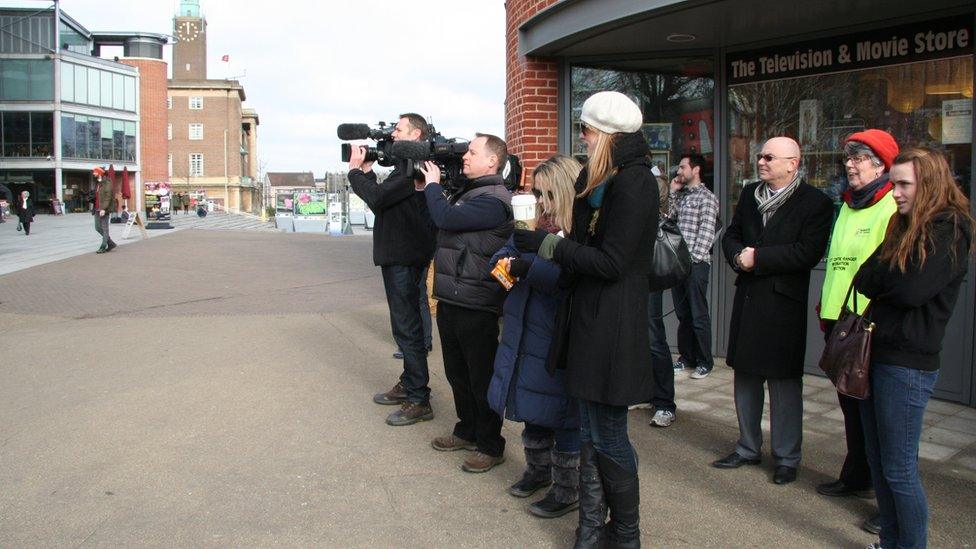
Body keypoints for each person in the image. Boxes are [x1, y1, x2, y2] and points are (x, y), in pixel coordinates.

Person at [514, 90, 657, 548]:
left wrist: (551, 246)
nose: (583, 138)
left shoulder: (633, 182)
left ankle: (626, 534)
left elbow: (613, 262)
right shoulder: (602, 181)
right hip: (591, 322)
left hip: (612, 326)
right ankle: (592, 528)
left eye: (587, 130)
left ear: (607, 134)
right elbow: (590, 253)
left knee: (609, 436)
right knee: (594, 434)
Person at [855, 147, 973, 549]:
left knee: (899, 469)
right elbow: (864, 277)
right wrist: (894, 276)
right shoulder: (900, 225)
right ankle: (891, 542)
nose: (896, 192)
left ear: (931, 185)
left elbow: (912, 291)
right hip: (877, 352)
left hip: (908, 365)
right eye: (894, 183)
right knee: (879, 461)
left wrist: (892, 277)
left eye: (904, 184)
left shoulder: (950, 228)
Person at [715, 137, 832, 485]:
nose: (761, 161)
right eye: (760, 156)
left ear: (792, 163)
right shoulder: (751, 194)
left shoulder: (816, 203)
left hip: (783, 305)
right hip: (750, 298)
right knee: (746, 377)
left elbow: (806, 252)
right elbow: (731, 235)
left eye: (769, 157)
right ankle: (747, 448)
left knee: (783, 384)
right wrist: (738, 257)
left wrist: (758, 258)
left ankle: (786, 458)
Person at [487, 155, 582, 518]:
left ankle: (567, 487)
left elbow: (570, 280)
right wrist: (503, 268)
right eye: (536, 192)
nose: (540, 200)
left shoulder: (579, 232)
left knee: (564, 414)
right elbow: (501, 256)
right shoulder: (529, 223)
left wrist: (530, 265)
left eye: (547, 193)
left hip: (558, 331)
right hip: (524, 327)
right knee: (532, 408)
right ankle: (538, 472)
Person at [816, 130, 900, 533]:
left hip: (868, 323)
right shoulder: (848, 206)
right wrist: (826, 310)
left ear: (882, 164)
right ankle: (857, 474)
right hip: (839, 319)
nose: (850, 165)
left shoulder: (891, 206)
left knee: (878, 417)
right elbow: (839, 263)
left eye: (860, 158)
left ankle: (889, 501)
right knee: (850, 407)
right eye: (848, 159)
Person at [420, 133, 513, 473]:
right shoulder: (469, 193)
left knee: (481, 377)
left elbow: (445, 219)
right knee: (457, 373)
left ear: (493, 161)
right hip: (453, 297)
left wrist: (433, 186)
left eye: (472, 152)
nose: (465, 156)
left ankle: (491, 444)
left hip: (478, 301)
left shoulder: (493, 199)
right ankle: (468, 429)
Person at [347, 113, 437, 427]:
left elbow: (379, 197)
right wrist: (369, 174)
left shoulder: (414, 166)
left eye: (399, 130)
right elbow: (382, 202)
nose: (392, 136)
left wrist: (356, 173)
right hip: (400, 253)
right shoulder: (405, 168)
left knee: (407, 326)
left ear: (416, 135)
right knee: (404, 325)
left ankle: (418, 398)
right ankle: (410, 383)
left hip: (404, 255)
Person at [669, 154, 720, 379]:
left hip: (696, 264)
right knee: (683, 314)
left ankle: (704, 361)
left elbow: (707, 232)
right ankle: (686, 357)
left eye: (682, 167)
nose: (679, 170)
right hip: (678, 264)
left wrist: (694, 260)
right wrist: (672, 191)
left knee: (698, 314)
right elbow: (668, 220)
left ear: (696, 169)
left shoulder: (707, 198)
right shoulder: (681, 196)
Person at [646, 166, 679, 428]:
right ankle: (646, 392)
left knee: (653, 337)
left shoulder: (652, 182)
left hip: (647, 278)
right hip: (628, 277)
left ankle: (665, 403)